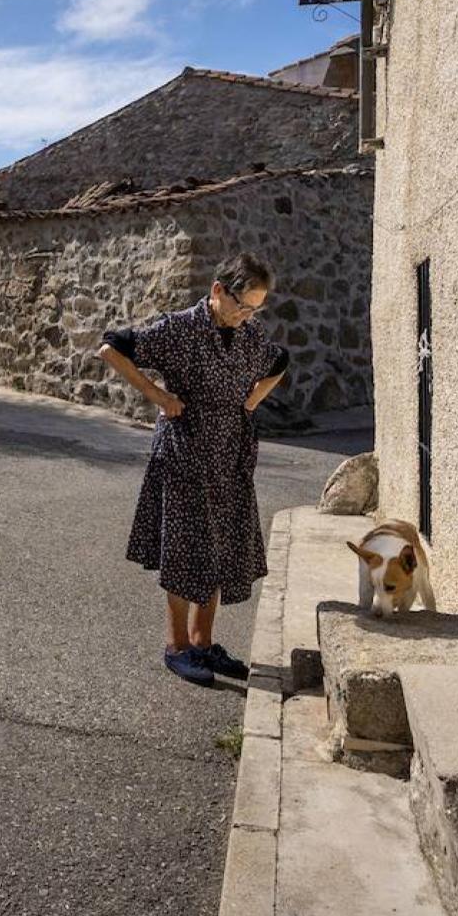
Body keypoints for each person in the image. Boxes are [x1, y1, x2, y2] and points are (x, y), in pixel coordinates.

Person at [97, 253, 289, 686]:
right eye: (242, 305)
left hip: (231, 455)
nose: (246, 316)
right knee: (184, 551)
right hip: (184, 454)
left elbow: (279, 362)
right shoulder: (179, 329)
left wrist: (251, 402)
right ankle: (177, 646)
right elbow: (112, 347)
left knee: (218, 547)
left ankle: (203, 643)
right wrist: (160, 397)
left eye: (255, 309)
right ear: (218, 290)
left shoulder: (249, 335)